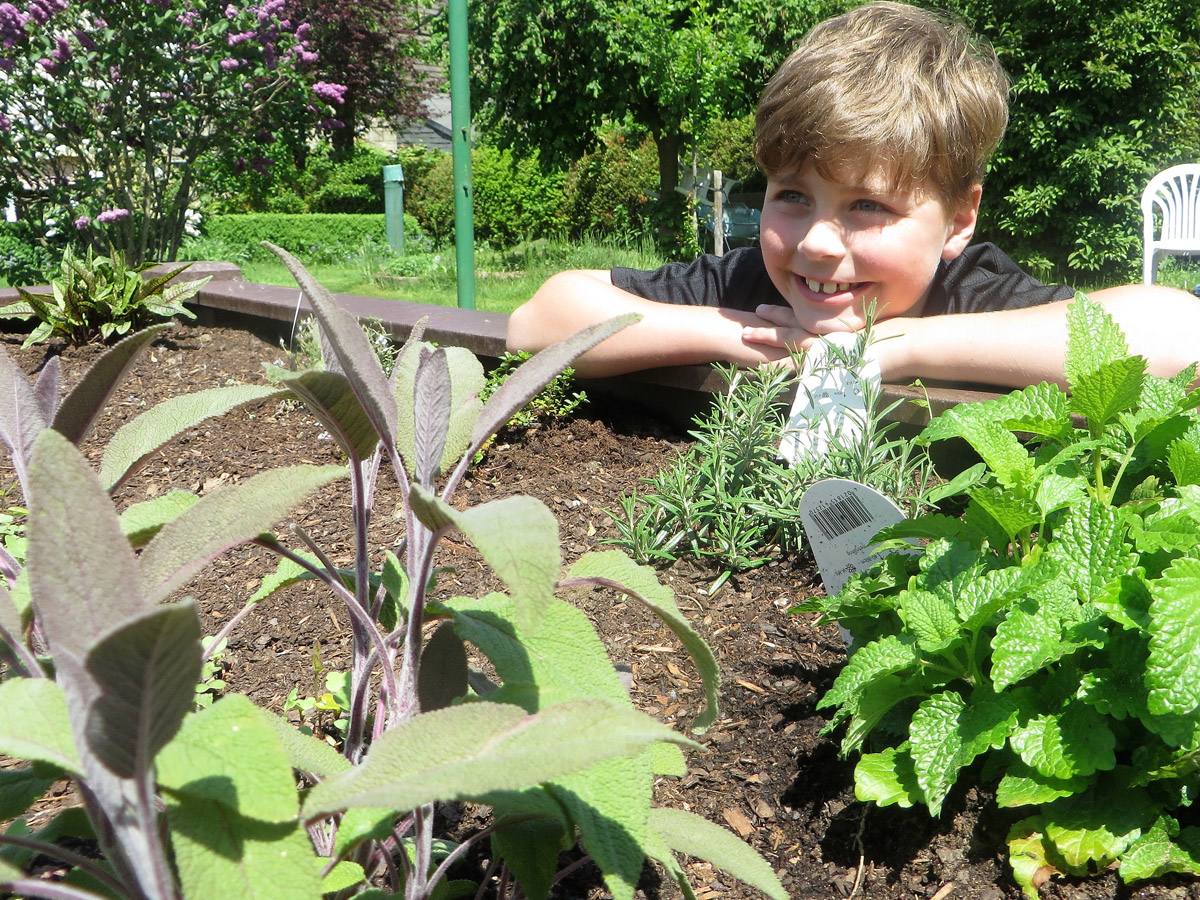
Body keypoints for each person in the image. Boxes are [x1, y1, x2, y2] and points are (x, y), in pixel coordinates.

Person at [506, 1, 1200, 388]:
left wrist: (900, 346)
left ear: (959, 219)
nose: (814, 242)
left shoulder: (972, 294)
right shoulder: (751, 287)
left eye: (867, 206)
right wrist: (738, 334)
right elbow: (537, 321)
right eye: (791, 196)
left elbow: (1180, 334)